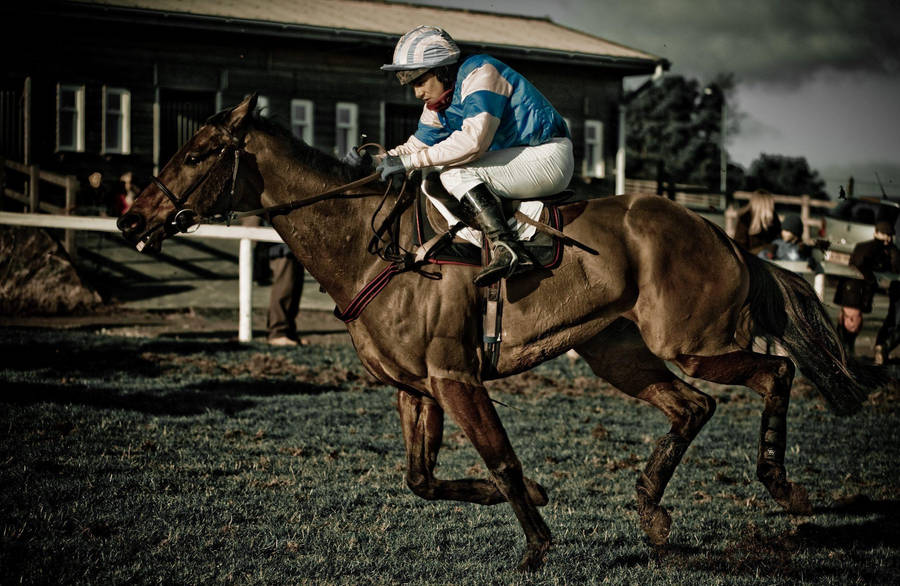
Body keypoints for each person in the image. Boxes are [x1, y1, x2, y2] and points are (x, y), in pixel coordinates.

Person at [374, 25, 573, 287]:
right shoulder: (439, 103)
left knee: (454, 173)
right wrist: (377, 160)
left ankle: (506, 246)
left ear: (442, 70)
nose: (417, 93)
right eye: (412, 85)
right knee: (432, 177)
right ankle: (479, 238)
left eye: (420, 82)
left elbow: (473, 142)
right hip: (519, 159)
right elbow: (416, 147)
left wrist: (408, 162)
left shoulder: (481, 73)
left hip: (549, 156)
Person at [837, 220, 900, 363]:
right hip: (853, 291)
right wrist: (870, 277)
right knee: (851, 325)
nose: (887, 238)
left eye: (889, 235)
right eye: (884, 234)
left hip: (857, 291)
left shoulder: (885, 249)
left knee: (852, 326)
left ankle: (845, 356)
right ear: (876, 233)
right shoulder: (870, 247)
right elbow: (858, 264)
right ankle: (843, 356)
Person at [758, 213, 826, 299]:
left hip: (795, 288)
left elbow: (809, 261)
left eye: (787, 231)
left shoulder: (802, 248)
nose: (783, 233)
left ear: (795, 233)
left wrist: (810, 260)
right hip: (778, 285)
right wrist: (768, 255)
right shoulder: (777, 245)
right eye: (783, 230)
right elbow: (762, 256)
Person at [266, 242, 308, 346]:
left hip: (295, 245)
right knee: (284, 288)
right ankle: (278, 333)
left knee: (294, 290)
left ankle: (289, 333)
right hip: (280, 246)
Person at [733, 189, 782, 254]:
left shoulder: (774, 219)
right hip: (750, 257)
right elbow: (740, 247)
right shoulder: (745, 219)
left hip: (765, 256)